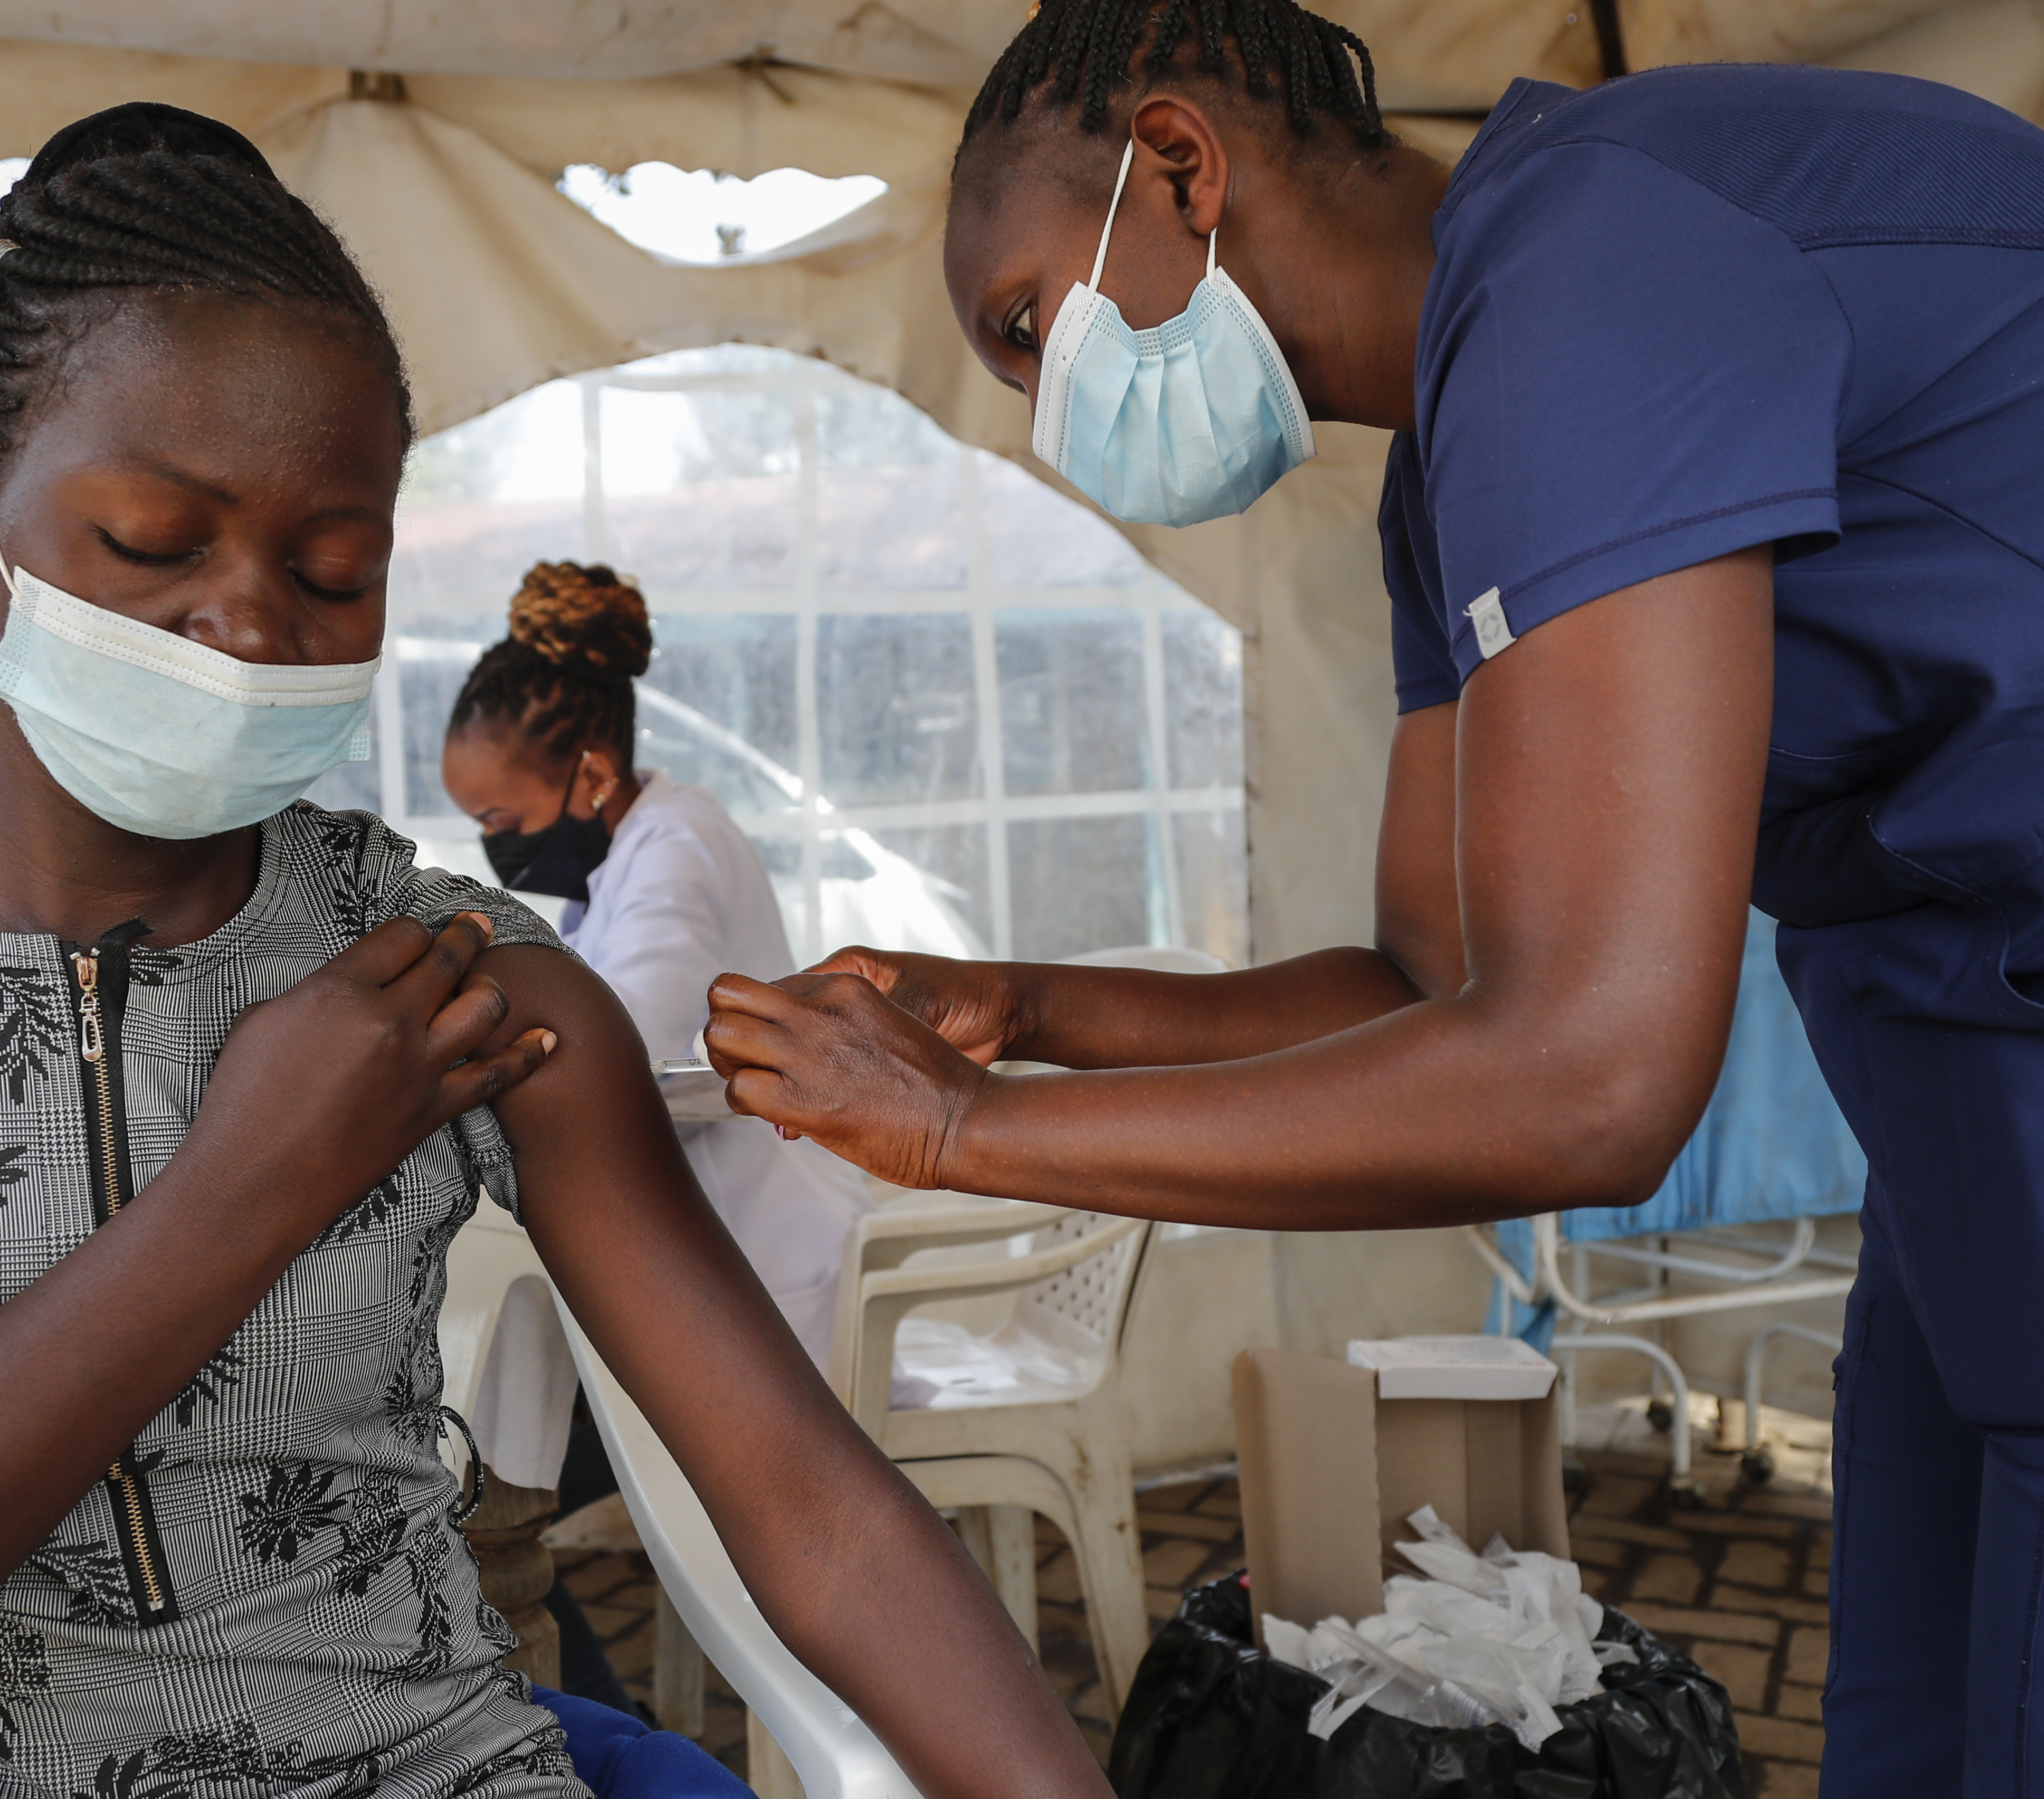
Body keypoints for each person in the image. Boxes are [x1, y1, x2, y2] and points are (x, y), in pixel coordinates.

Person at [0, 104, 1110, 1799]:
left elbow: (817, 1519)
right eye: (154, 545)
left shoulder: (452, 978)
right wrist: (244, 1194)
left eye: (334, 570)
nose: (250, 628)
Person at [699, 4, 2044, 1791]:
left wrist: (964, 1127)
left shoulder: (1593, 276)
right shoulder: (1458, 454)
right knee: (1925, 1712)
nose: (1043, 417)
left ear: (1177, 165)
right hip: (1962, 1083)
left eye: (1028, 328)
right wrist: (1026, 1010)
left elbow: (1585, 1080)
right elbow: (1438, 981)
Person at [442, 561, 874, 1363]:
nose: (493, 842)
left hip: (769, 1252)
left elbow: (629, 1026)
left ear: (594, 773)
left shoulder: (675, 846)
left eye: (500, 818)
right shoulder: (621, 860)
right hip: (718, 1237)